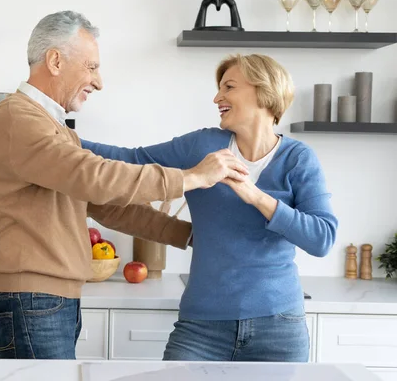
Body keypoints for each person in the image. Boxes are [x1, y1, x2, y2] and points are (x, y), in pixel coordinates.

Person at [0, 11, 249, 360]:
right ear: (56, 60)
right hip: (32, 296)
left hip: (46, 298)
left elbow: (107, 206)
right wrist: (191, 178)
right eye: (91, 66)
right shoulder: (19, 118)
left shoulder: (53, 128)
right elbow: (96, 178)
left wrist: (192, 236)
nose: (99, 81)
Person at [81, 53, 338, 362]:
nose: (218, 97)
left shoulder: (298, 159)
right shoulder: (202, 146)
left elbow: (322, 238)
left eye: (229, 87)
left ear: (263, 91)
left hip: (279, 329)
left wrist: (255, 196)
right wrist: (60, 136)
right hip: (201, 329)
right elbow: (130, 159)